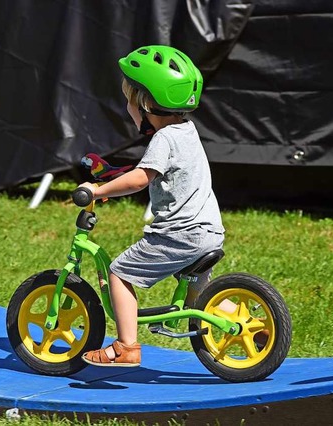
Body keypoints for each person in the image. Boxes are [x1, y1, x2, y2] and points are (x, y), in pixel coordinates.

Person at [78, 45, 226, 367]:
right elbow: (157, 171)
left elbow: (140, 179)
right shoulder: (186, 131)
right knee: (201, 301)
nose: (127, 109)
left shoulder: (162, 140)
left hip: (179, 235)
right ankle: (253, 334)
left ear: (144, 104)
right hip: (209, 232)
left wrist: (97, 189)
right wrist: (113, 176)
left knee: (119, 273)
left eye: (129, 102)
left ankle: (126, 347)